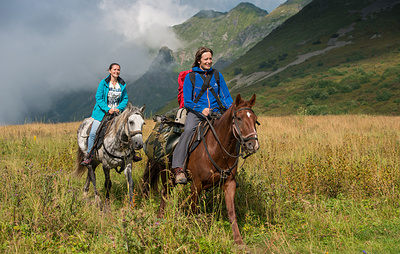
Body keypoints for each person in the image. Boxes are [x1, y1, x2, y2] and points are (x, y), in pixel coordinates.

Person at [172, 47, 233, 184]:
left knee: (233, 131)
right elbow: (187, 101)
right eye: (206, 59)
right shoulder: (190, 77)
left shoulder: (217, 75)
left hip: (216, 113)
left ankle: (230, 170)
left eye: (210, 58)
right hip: (196, 114)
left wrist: (233, 109)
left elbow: (225, 97)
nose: (209, 61)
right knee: (188, 131)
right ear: (199, 60)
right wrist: (201, 109)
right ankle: (179, 168)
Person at [81, 63, 141, 165]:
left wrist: (119, 108)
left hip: (117, 113)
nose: (116, 71)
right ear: (110, 71)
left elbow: (125, 99)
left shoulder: (121, 84)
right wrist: (107, 109)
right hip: (102, 113)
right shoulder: (103, 83)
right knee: (93, 133)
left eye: (118, 70)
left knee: (128, 129)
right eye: (114, 69)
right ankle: (89, 155)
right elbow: (98, 98)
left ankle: (132, 153)